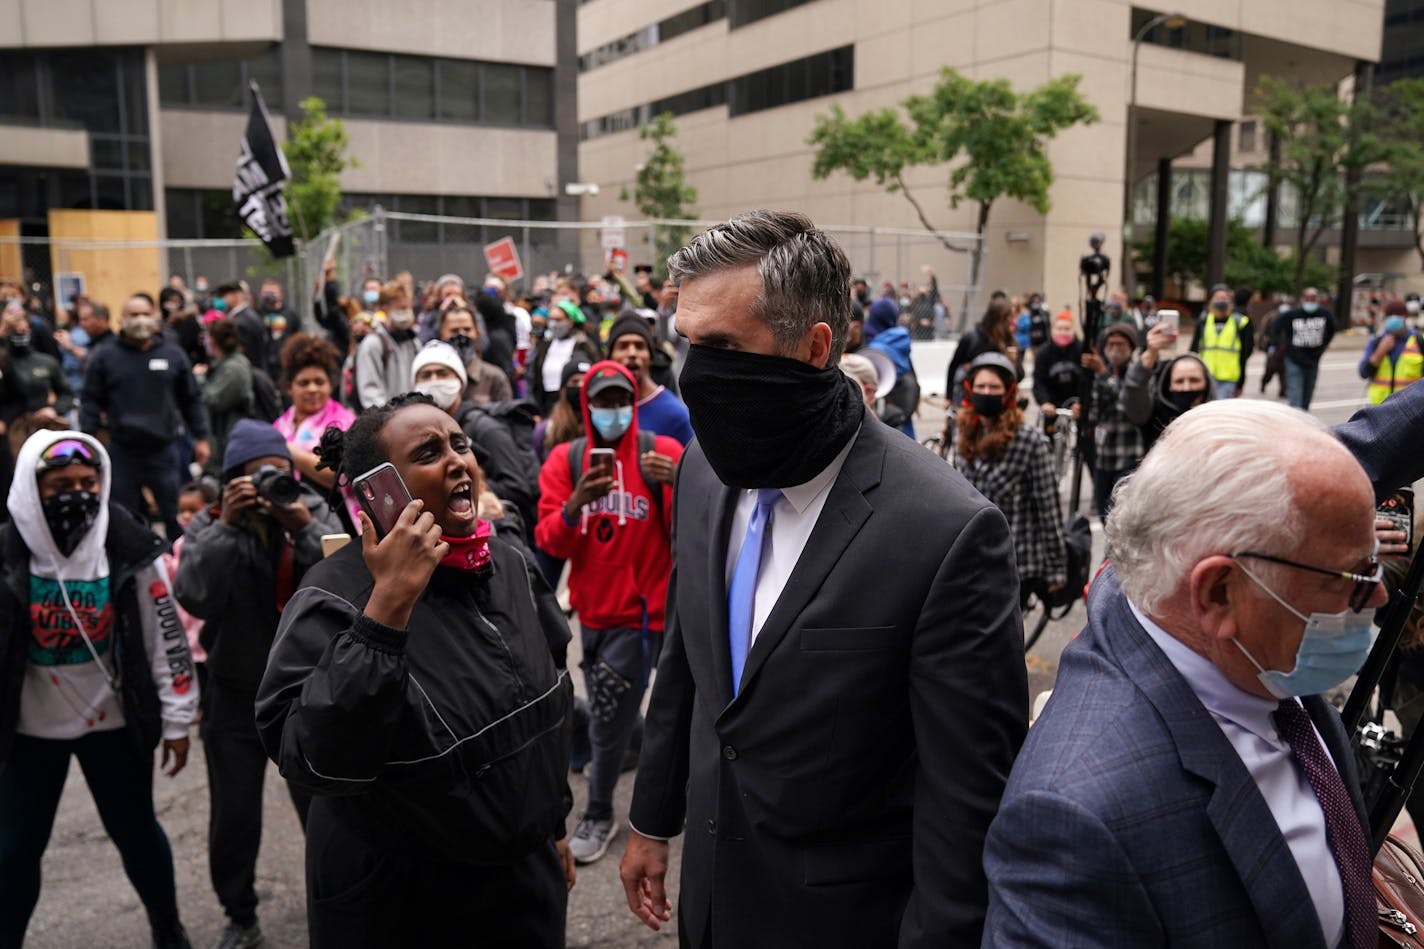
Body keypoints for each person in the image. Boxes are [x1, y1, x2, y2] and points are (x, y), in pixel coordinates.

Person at [618, 211, 1027, 947]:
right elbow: (690, 652)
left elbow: (964, 805)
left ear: (813, 349)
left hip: (846, 920)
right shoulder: (708, 469)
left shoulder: (946, 532)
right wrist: (652, 816)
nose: (694, 374)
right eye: (685, 343)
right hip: (711, 902)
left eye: (720, 347)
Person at [983, 400, 1385, 949]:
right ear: (1219, 591)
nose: (1379, 595)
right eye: (1353, 576)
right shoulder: (1077, 821)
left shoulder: (1256, 650)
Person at [254, 393, 576, 948]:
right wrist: (387, 611)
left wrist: (553, 826)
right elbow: (314, 758)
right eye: (429, 452)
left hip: (524, 887)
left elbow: (546, 716)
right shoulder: (333, 597)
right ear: (380, 492)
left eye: (461, 445)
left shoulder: (508, 565)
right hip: (404, 907)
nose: (458, 461)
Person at [0, 431, 199, 949]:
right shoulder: (7, 552)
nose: (77, 494)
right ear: (30, 488)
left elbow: (166, 635)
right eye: (60, 484)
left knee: (136, 834)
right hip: (26, 730)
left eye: (89, 482)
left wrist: (178, 717)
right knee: (14, 850)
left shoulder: (127, 545)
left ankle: (167, 927)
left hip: (112, 722)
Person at [175, 420, 338, 949]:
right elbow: (195, 595)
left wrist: (301, 527)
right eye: (252, 478)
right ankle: (240, 915)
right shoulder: (210, 525)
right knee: (234, 814)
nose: (267, 483)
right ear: (229, 485)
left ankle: (339, 904)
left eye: (275, 472)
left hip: (307, 692)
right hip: (234, 690)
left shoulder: (311, 509)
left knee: (327, 810)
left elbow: (349, 585)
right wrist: (228, 523)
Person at [535, 361, 681, 866]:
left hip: (645, 617)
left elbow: (700, 526)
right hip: (592, 614)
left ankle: (597, 813)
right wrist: (576, 503)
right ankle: (642, 749)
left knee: (603, 717)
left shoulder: (661, 453)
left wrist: (680, 482)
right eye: (604, 401)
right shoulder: (566, 461)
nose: (614, 410)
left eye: (622, 400)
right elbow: (548, 539)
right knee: (612, 708)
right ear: (587, 405)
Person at [79, 294, 211, 540]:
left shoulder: (174, 355)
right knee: (124, 518)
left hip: (164, 451)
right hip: (122, 452)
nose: (140, 320)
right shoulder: (105, 356)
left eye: (145, 314)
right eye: (133, 315)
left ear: (155, 317)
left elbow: (191, 399)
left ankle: (179, 568)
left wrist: (202, 437)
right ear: (121, 320)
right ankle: (133, 575)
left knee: (175, 516)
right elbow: (90, 401)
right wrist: (88, 441)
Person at [954, 353, 1066, 607]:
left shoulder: (1029, 440)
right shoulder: (962, 433)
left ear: (1008, 392)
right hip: (968, 559)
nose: (987, 392)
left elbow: (1048, 507)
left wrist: (1056, 568)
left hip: (1014, 564)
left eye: (994, 387)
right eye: (981, 387)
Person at [411, 341, 541, 535]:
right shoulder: (422, 431)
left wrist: (474, 487)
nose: (434, 381)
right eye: (426, 375)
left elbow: (518, 488)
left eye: (443, 373)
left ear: (460, 381)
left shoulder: (485, 428)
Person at [273, 333, 358, 529]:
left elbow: (340, 477)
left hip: (333, 519)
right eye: (303, 383)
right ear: (289, 388)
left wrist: (289, 451)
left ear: (330, 385)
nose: (312, 389)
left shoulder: (345, 422)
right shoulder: (280, 425)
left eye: (319, 382)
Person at [1122, 322, 1216, 452]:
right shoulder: (1154, 415)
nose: (1186, 387)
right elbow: (1134, 388)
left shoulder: (1216, 417)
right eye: (1179, 381)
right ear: (1169, 384)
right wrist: (1151, 352)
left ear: (1207, 384)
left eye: (1194, 380)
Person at [1086, 322, 1144, 523]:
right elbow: (1095, 411)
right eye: (1111, 344)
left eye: (1120, 345)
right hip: (1103, 454)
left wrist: (1103, 374)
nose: (1115, 350)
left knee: (1123, 513)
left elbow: (1125, 405)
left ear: (1130, 348)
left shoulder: (1137, 373)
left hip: (1127, 453)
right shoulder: (1101, 373)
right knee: (1103, 508)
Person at [607, 315, 694, 446]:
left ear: (651, 357)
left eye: (639, 346)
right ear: (610, 357)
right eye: (623, 346)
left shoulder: (674, 414)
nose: (632, 353)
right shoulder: (599, 408)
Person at [1, 300, 74, 455]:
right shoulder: (4, 362)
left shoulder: (45, 361)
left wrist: (54, 410)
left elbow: (67, 394)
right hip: (13, 428)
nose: (20, 332)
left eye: (25, 329)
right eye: (14, 330)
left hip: (44, 426)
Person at [200, 318, 255, 476]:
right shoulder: (224, 364)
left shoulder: (234, 368)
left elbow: (213, 400)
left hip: (230, 438)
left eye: (207, 337)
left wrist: (200, 381)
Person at [354, 281, 421, 410]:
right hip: (386, 421)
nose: (406, 313)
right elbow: (370, 390)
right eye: (401, 308)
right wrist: (387, 416)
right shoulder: (373, 344)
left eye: (408, 308)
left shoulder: (413, 342)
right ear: (385, 308)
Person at [530, 300, 602, 415]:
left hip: (573, 403)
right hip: (547, 402)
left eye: (558, 320)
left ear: (570, 321)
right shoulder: (545, 345)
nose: (553, 324)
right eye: (551, 319)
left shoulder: (583, 344)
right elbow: (535, 378)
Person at [944, 296, 1019, 403]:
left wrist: (1012, 363)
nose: (1010, 323)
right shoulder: (972, 339)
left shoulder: (1008, 340)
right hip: (970, 399)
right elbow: (953, 367)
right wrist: (949, 398)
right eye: (1007, 319)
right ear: (998, 319)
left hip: (1000, 400)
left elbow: (1017, 376)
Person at [437, 302, 514, 405]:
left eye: (467, 329)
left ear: (477, 332)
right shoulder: (433, 377)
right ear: (442, 334)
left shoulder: (494, 377)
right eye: (454, 330)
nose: (461, 335)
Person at [1272, 287, 1335, 409]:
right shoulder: (1293, 314)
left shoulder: (1324, 314)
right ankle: (1296, 422)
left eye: (1313, 298)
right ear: (1303, 299)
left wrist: (1323, 346)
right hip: (1294, 359)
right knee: (1296, 397)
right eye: (1308, 298)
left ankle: (1303, 419)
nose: (1310, 302)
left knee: (1307, 396)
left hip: (1313, 359)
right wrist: (1276, 344)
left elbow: (1332, 330)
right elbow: (1276, 326)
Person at [1031, 312, 1089, 440]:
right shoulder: (1044, 352)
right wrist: (1044, 402)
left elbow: (1087, 380)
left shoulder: (1081, 350)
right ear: (1052, 330)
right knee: (1049, 440)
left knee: (1085, 440)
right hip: (1052, 404)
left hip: (1076, 403)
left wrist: (1082, 402)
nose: (1063, 332)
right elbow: (1039, 380)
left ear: (1073, 330)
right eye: (1059, 329)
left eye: (1067, 329)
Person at [1190, 284, 1252, 399]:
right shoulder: (1203, 321)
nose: (1220, 301)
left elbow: (1245, 354)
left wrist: (1241, 382)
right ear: (1210, 301)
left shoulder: (1241, 322)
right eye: (1217, 298)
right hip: (1205, 376)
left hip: (1228, 378)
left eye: (1224, 298)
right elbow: (1194, 349)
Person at [1360, 300, 1421, 405]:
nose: (1394, 318)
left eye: (1398, 315)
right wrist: (1380, 352)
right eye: (1390, 315)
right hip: (1380, 407)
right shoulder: (1377, 341)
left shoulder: (1419, 341)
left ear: (1406, 317)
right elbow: (1363, 372)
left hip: (1411, 407)